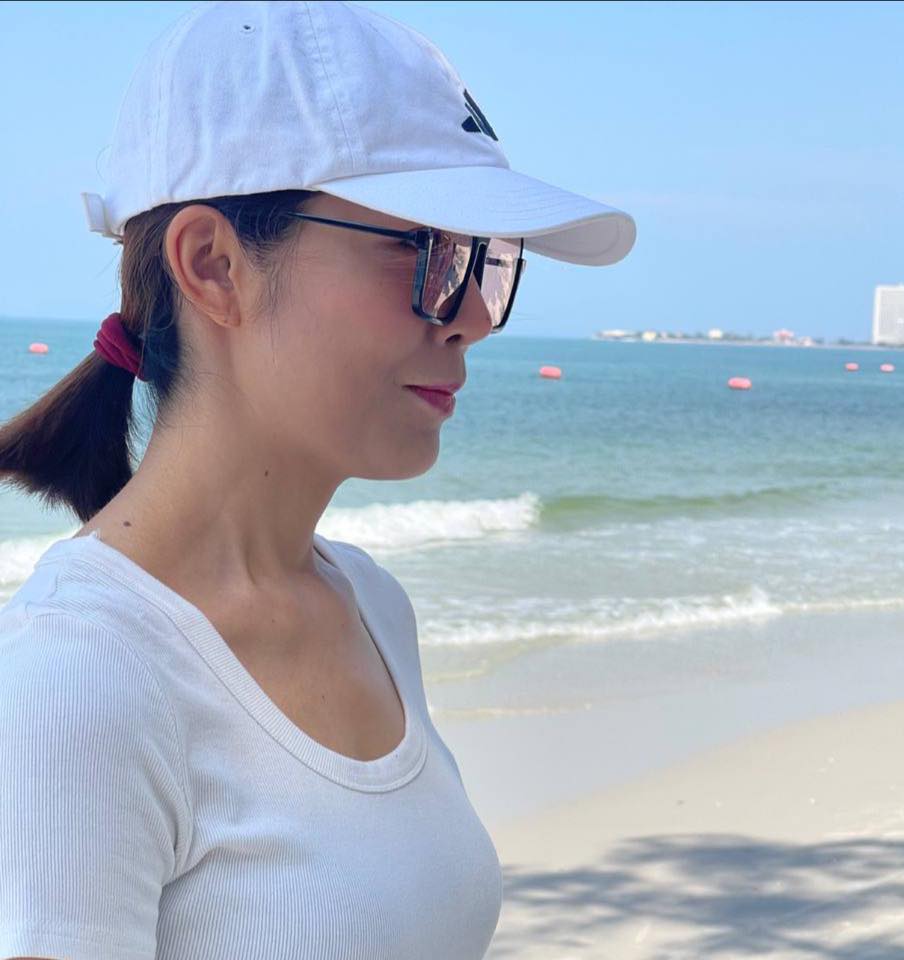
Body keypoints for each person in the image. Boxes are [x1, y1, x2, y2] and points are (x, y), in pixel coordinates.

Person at [0, 2, 635, 958]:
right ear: (214, 267)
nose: (471, 316)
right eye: (427, 251)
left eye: (487, 261)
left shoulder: (370, 604)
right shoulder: (76, 679)